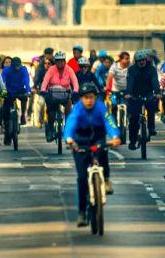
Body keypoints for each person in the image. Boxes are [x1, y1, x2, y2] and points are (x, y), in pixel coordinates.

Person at [65, 82, 121, 227]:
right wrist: (69, 138)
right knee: (82, 178)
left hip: (97, 137)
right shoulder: (77, 109)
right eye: (85, 98)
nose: (88, 100)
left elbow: (109, 121)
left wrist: (115, 136)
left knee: (103, 153)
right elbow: (70, 123)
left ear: (95, 98)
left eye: (91, 97)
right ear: (81, 99)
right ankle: (82, 212)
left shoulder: (100, 108)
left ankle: (106, 179)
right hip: (80, 140)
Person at [125, 50, 161, 150]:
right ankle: (132, 141)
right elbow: (130, 82)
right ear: (136, 62)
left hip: (148, 93)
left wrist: (157, 93)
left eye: (143, 60)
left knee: (151, 107)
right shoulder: (132, 69)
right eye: (139, 60)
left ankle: (151, 128)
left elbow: (155, 81)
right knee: (133, 118)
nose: (141, 62)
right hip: (135, 95)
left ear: (146, 60)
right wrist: (128, 94)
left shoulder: (151, 69)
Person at [41, 51, 79, 141]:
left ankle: (67, 128)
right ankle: (50, 129)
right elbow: (45, 80)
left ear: (65, 61)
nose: (60, 63)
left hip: (65, 94)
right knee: (51, 113)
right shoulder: (51, 69)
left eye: (62, 61)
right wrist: (43, 90)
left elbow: (75, 81)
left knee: (69, 106)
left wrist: (76, 90)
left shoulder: (69, 69)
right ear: (55, 61)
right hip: (53, 94)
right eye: (58, 61)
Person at [1, 57, 31, 140]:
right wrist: (2, 91)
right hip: (9, 91)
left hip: (20, 89)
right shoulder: (6, 70)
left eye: (18, 65)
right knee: (6, 112)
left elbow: (26, 80)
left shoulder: (23, 69)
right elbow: (3, 81)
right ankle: (7, 132)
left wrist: (28, 91)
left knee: (24, 98)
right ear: (11, 65)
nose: (17, 67)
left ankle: (23, 115)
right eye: (15, 66)